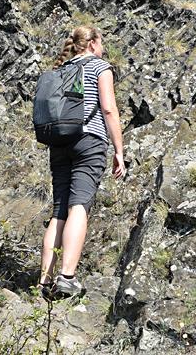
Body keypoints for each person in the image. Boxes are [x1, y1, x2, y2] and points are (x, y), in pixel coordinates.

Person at [39, 25, 126, 300]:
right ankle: (67, 277)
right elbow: (109, 108)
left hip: (59, 143)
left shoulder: (60, 70)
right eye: (101, 43)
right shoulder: (100, 67)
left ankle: (44, 280)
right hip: (89, 141)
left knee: (59, 211)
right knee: (79, 204)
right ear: (93, 43)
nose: (103, 48)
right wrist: (119, 150)